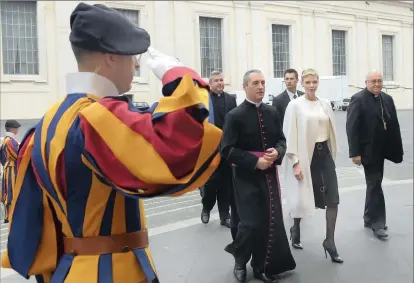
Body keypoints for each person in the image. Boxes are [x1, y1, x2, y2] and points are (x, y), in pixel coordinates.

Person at [1, 3, 222, 283]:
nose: (136, 64)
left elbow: (38, 222)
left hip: (68, 270)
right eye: (131, 56)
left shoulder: (48, 120)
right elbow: (177, 152)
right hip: (111, 272)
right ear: (110, 58)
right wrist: (180, 77)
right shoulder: (94, 117)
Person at [221, 69, 296, 283]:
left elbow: (282, 140)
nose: (261, 87)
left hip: (269, 176)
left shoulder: (272, 112)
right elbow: (226, 150)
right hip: (244, 177)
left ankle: (260, 265)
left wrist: (277, 152)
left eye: (263, 82)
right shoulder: (234, 116)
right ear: (245, 87)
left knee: (268, 221)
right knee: (250, 223)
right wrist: (255, 162)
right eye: (255, 83)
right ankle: (240, 259)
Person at [283, 68, 343, 263]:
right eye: (307, 82)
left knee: (332, 198)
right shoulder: (295, 106)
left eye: (314, 82)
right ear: (302, 83)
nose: (311, 86)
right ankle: (296, 227)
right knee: (303, 197)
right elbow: (290, 135)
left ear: (318, 82)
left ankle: (330, 241)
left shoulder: (325, 104)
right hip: (305, 155)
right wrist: (295, 163)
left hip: (324, 154)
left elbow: (330, 130)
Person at [346, 70, 403, 240]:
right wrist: (355, 153)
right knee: (375, 184)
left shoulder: (386, 98)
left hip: (383, 149)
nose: (377, 84)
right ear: (366, 82)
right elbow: (352, 128)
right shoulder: (358, 99)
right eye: (373, 81)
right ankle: (378, 224)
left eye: (379, 81)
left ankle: (368, 217)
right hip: (367, 151)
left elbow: (394, 123)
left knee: (373, 184)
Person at [201, 71, 237, 228]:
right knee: (210, 183)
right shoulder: (204, 99)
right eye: (216, 80)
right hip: (210, 148)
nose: (220, 83)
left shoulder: (231, 99)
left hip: (227, 147)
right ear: (210, 83)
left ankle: (225, 215)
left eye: (221, 80)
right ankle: (206, 207)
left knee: (226, 183)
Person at [0, 120, 21, 223]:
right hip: (12, 168)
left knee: (10, 191)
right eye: (16, 128)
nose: (17, 130)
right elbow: (18, 154)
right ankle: (12, 214)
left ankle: (11, 214)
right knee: (11, 191)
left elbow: (2, 159)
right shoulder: (10, 141)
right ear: (13, 128)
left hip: (9, 167)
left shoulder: (6, 140)